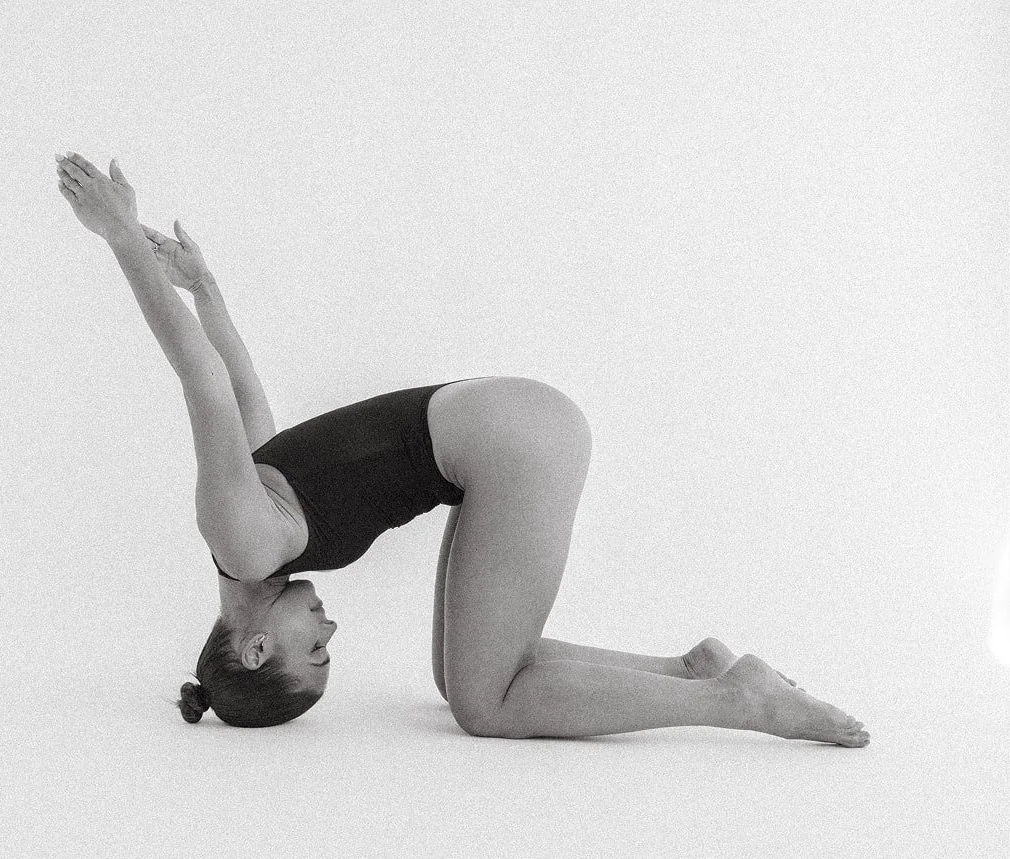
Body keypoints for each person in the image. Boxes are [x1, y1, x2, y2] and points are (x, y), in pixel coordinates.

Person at [54, 152, 869, 746]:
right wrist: (209, 289)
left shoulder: (240, 536)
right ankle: (689, 669)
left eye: (315, 653)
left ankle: (741, 702)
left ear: (255, 647)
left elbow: (202, 386)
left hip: (513, 440)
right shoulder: (254, 541)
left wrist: (123, 238)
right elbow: (243, 399)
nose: (331, 628)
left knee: (487, 706)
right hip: (502, 430)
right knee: (464, 679)